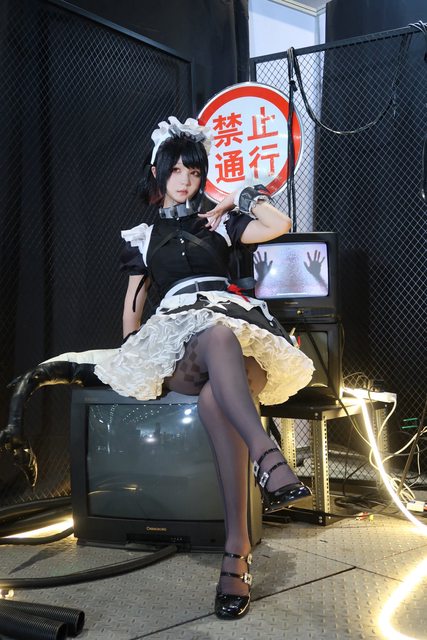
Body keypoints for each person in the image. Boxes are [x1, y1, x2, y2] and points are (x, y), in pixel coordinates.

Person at [92, 116, 315, 620]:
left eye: (194, 171)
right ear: (158, 172)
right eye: (176, 170)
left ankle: (237, 552)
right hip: (182, 343)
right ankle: (268, 459)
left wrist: (237, 197)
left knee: (219, 385)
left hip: (238, 335)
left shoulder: (219, 223)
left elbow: (279, 225)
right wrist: (132, 358)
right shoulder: (143, 236)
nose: (186, 180)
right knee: (214, 336)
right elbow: (133, 306)